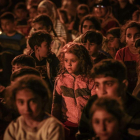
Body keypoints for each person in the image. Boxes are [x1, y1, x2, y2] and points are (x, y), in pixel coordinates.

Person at [77, 59, 140, 140]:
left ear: (124, 85)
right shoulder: (93, 103)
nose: (102, 91)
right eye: (97, 85)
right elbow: (83, 135)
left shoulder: (136, 110)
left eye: (108, 84)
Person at [51, 42, 95, 140]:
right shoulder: (61, 80)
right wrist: (54, 122)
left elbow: (96, 103)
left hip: (87, 124)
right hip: (67, 124)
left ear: (82, 61)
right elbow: (56, 103)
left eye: (73, 61)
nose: (69, 64)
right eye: (66, 60)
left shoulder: (90, 80)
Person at [4, 75, 64, 140]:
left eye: (32, 101)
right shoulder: (14, 127)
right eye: (21, 102)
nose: (27, 108)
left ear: (43, 100)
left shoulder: (53, 126)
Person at [0, 12, 26, 86]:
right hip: (2, 59)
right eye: (2, 24)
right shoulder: (1, 37)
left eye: (7, 24)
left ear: (14, 23)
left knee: (5, 56)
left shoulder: (20, 37)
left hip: (13, 58)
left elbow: (23, 51)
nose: (4, 26)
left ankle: (7, 80)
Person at [115, 21, 140, 93]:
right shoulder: (121, 53)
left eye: (137, 36)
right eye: (129, 36)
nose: (133, 39)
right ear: (125, 38)